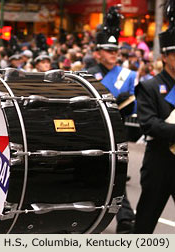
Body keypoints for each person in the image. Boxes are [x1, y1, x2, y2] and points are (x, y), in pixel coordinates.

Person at [87, 5, 136, 234]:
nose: (114, 54)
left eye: (116, 50)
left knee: (116, 176)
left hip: (116, 133)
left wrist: (125, 104)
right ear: (98, 52)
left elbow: (132, 108)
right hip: (92, 132)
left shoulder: (128, 76)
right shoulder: (86, 73)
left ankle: (125, 217)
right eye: (108, 50)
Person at [134, 0, 175, 233]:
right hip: (159, 163)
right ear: (166, 56)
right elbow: (149, 124)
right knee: (145, 224)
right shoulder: (150, 87)